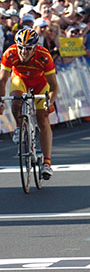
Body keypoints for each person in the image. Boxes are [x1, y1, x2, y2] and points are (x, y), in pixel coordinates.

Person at [0, 28, 58, 179]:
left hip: (41, 84)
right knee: (16, 101)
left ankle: (46, 163)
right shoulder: (10, 53)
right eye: (21, 48)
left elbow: (54, 86)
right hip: (20, 80)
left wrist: (49, 102)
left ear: (35, 48)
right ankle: (19, 128)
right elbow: (2, 80)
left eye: (28, 49)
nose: (23, 52)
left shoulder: (44, 56)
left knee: (42, 119)